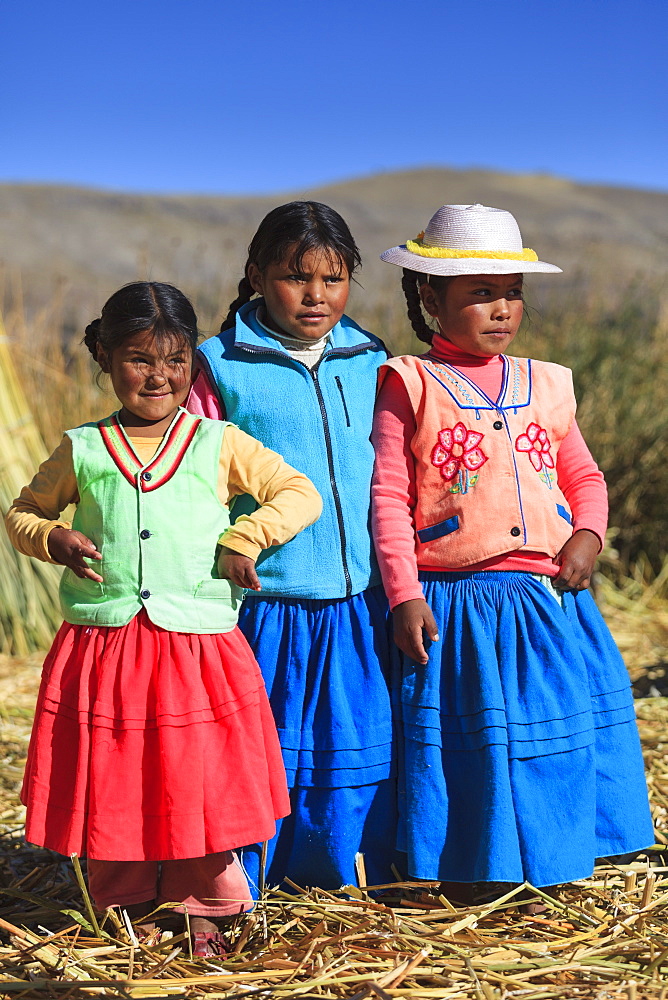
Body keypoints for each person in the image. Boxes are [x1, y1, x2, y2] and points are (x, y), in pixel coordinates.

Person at [5, 281, 322, 953]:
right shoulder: (84, 449)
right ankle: (126, 901)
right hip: (106, 645)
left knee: (193, 776)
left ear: (193, 365)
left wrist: (246, 537)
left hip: (196, 648)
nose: (159, 376)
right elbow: (22, 514)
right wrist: (52, 540)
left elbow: (298, 493)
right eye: (139, 359)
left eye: (176, 360)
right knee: (118, 771)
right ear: (104, 355)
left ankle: (208, 901)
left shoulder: (218, 443)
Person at [371, 203, 654, 903]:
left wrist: (588, 532)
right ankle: (477, 870)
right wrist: (404, 593)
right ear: (431, 299)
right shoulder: (409, 383)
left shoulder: (547, 384)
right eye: (480, 294)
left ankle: (558, 861)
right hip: (457, 604)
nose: (501, 310)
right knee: (475, 749)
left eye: (512, 293)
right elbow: (387, 499)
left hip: (544, 601)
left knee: (551, 736)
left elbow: (582, 475)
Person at [188, 201, 397, 893]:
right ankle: (248, 881)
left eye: (334, 280)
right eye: (294, 277)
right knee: (264, 749)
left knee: (353, 745)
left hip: (358, 597)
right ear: (255, 277)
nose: (316, 296)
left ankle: (346, 876)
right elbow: (194, 480)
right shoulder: (219, 366)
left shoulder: (372, 360)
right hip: (268, 601)